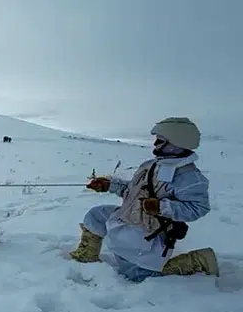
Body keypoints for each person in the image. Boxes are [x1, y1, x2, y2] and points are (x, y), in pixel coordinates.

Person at [69, 116, 218, 280]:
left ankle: (198, 261)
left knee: (137, 275)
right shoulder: (151, 165)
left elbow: (199, 208)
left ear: (176, 144)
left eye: (160, 140)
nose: (155, 144)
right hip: (126, 217)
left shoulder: (189, 177)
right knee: (97, 215)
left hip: (147, 231)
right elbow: (133, 190)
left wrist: (160, 207)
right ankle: (87, 254)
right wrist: (108, 185)